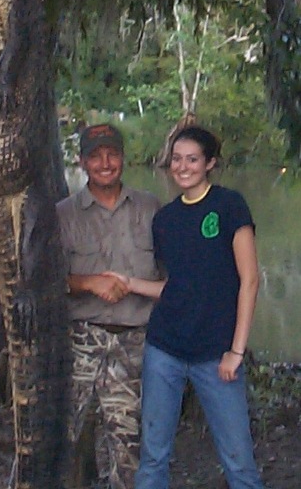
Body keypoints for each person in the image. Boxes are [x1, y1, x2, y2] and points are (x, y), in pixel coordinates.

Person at [113, 125, 264, 489]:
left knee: (238, 461)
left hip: (216, 354)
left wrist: (235, 351)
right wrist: (130, 284)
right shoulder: (165, 219)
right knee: (153, 457)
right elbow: (178, 287)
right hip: (165, 349)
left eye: (192, 159)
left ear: (209, 163)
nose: (182, 167)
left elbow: (250, 281)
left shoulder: (229, 206)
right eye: (177, 159)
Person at [56, 123, 162, 489]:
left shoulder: (150, 208)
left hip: (134, 344)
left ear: (123, 159)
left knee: (129, 448)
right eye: (96, 155)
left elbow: (173, 279)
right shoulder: (63, 215)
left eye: (112, 154)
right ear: (82, 162)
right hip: (79, 342)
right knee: (60, 440)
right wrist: (89, 283)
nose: (105, 162)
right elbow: (42, 282)